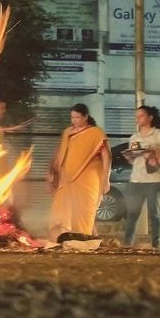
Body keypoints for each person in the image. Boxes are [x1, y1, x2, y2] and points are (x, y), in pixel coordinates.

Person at [47, 103, 111, 241]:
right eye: (72, 117)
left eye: (77, 117)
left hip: (87, 180)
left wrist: (106, 179)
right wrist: (52, 174)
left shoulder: (96, 133)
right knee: (59, 211)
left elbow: (107, 157)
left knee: (84, 210)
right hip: (66, 180)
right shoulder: (67, 132)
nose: (74, 120)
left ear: (85, 117)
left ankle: (83, 238)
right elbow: (61, 154)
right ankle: (61, 237)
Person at [121, 104, 160, 250]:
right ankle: (127, 243)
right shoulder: (134, 137)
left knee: (155, 212)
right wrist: (130, 156)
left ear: (150, 117)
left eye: (141, 115)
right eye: (136, 116)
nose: (138, 118)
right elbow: (132, 159)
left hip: (155, 179)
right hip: (136, 178)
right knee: (132, 212)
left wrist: (155, 152)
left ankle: (156, 244)